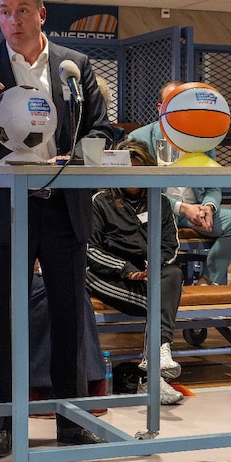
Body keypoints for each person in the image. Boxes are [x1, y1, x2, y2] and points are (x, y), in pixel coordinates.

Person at [0, 0, 115, 454]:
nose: (12, 20)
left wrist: (77, 158)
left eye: (22, 10)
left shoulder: (75, 66)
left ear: (41, 14)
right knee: (2, 318)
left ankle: (71, 419)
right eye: (4, 12)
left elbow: (104, 129)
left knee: (68, 318)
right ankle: (3, 424)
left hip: (64, 206)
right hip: (7, 210)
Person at [87, 139, 185, 405]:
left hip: (148, 275)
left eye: (138, 167)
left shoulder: (160, 202)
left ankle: (155, 360)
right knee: (160, 302)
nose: (132, 174)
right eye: (127, 168)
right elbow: (90, 250)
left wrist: (155, 263)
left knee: (173, 274)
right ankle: (154, 372)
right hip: (109, 275)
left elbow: (170, 245)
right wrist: (125, 268)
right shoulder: (100, 202)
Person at [129, 81, 231, 286]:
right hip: (157, 212)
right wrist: (182, 208)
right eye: (171, 103)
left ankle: (207, 280)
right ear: (160, 108)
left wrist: (208, 207)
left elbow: (213, 184)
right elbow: (140, 190)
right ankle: (151, 285)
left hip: (196, 211)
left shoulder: (202, 138)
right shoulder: (139, 139)